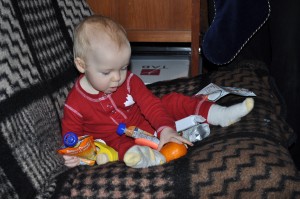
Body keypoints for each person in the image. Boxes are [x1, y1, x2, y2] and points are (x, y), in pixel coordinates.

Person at [61, 15, 254, 168]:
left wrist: (165, 129)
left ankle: (219, 114)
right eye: (106, 72)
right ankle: (147, 159)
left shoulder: (129, 81)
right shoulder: (75, 104)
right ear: (81, 65)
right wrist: (75, 154)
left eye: (122, 68)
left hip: (145, 121)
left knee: (173, 101)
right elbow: (72, 136)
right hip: (116, 140)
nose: (117, 78)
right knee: (122, 148)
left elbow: (150, 104)